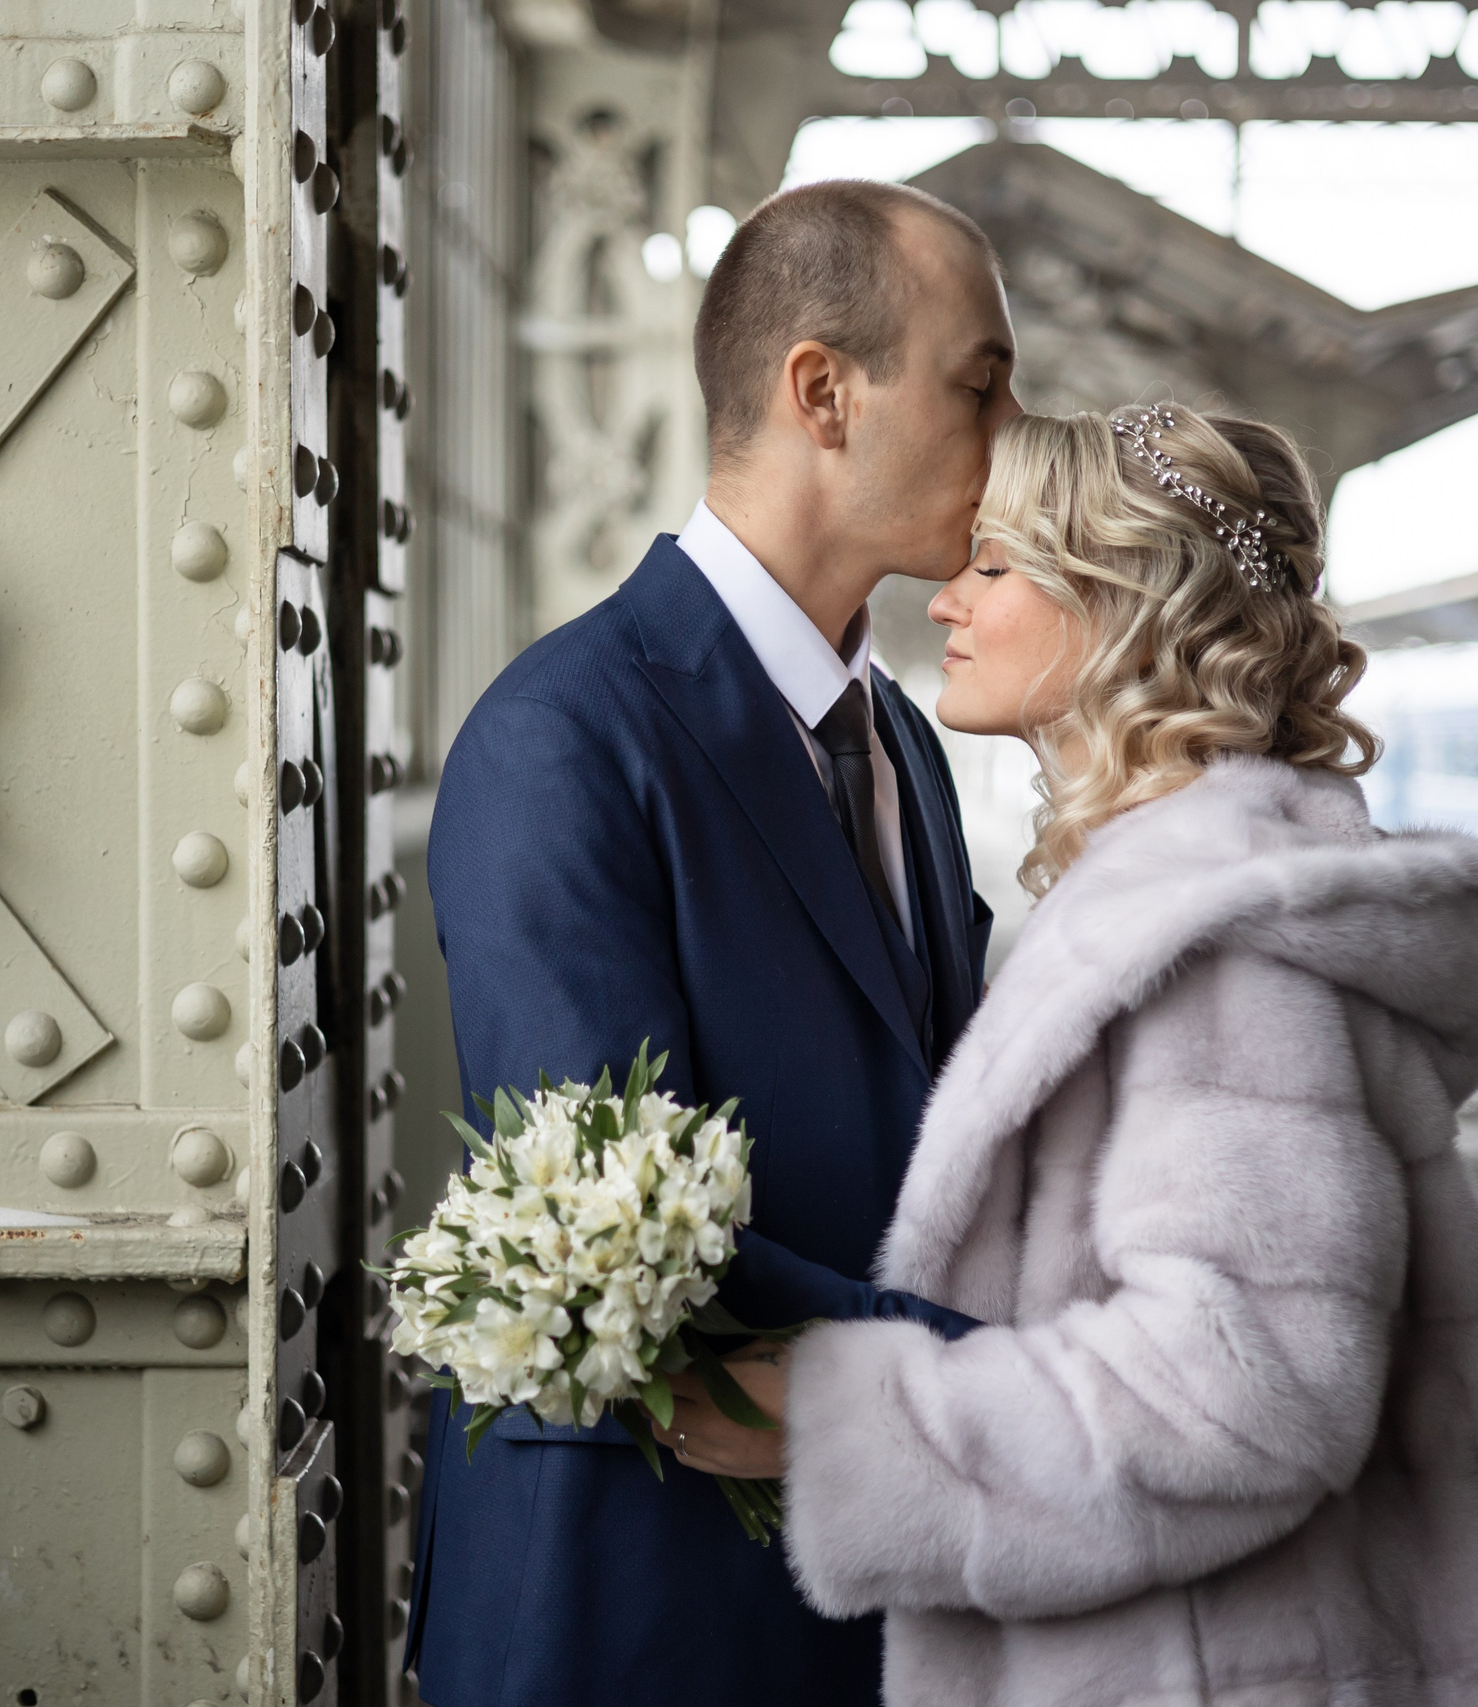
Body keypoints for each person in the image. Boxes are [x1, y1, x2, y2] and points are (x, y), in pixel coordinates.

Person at [664, 405, 1478, 1706]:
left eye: (993, 567)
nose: (944, 599)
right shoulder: (1199, 899)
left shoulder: (1211, 950)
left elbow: (1243, 1393)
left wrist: (842, 1425)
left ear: (1122, 608)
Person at [409, 180, 1018, 1707]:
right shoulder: (564, 736)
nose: (1016, 435)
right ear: (824, 390)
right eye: (983, 382)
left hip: (861, 1577)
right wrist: (1036, 1374)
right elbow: (646, 1248)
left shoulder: (906, 747)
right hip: (635, 1601)